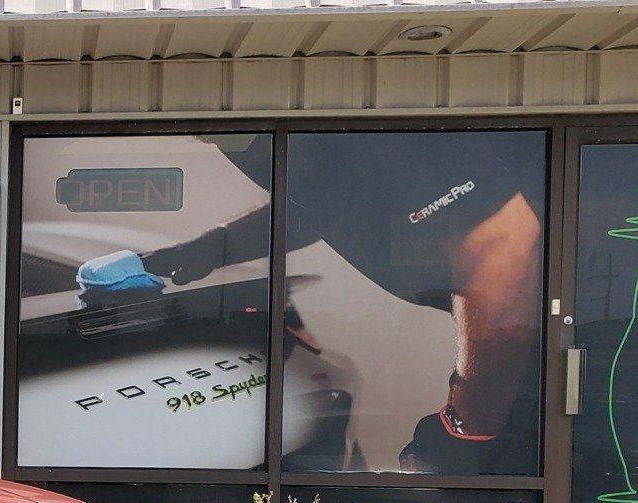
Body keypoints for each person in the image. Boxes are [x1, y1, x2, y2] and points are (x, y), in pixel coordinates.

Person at [98, 133, 543, 473]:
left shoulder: (391, 136)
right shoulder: (270, 134)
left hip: (541, 340)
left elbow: (503, 243)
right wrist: (196, 252)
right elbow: (324, 204)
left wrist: (466, 424)